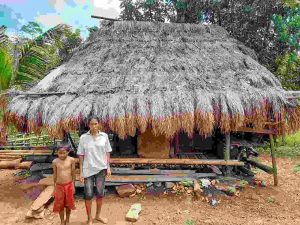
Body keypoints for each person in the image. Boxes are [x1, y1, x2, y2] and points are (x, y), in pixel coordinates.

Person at [77, 117, 112, 225]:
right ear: (88, 125)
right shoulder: (83, 138)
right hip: (88, 169)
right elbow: (81, 155)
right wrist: (81, 172)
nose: (94, 126)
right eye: (92, 124)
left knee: (100, 193)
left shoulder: (104, 136)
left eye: (96, 124)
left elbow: (107, 152)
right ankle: (89, 218)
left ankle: (98, 215)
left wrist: (108, 167)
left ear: (99, 124)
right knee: (88, 194)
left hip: (101, 169)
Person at [52, 145, 76, 225]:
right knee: (60, 204)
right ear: (57, 153)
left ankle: (68, 220)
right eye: (59, 153)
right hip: (59, 186)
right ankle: (62, 221)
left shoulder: (71, 160)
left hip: (69, 185)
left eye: (64, 153)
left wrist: (73, 185)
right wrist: (54, 187)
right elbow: (54, 175)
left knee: (68, 204)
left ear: (68, 152)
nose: (62, 155)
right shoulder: (55, 161)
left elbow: (73, 173)